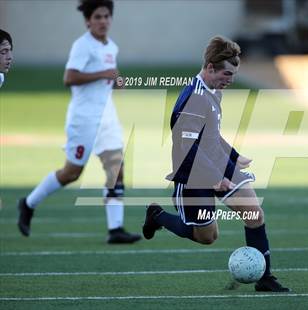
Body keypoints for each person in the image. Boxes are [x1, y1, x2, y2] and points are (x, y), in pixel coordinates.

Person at [143, 36, 290, 292]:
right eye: (226, 73)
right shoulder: (194, 99)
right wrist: (213, 177)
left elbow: (212, 135)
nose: (230, 80)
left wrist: (233, 157)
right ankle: (157, 216)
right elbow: (188, 148)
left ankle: (265, 278)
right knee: (207, 237)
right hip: (192, 175)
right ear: (210, 67)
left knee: (254, 214)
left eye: (233, 74)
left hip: (218, 164)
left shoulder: (214, 91)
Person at [17, 0, 141, 244]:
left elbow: (108, 76)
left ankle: (115, 229)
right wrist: (103, 75)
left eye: (106, 16)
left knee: (117, 169)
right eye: (98, 17)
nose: (103, 21)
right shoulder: (82, 46)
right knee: (72, 173)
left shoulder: (111, 47)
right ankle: (28, 203)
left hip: (107, 116)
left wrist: (116, 81)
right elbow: (69, 77)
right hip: (83, 119)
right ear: (88, 21)